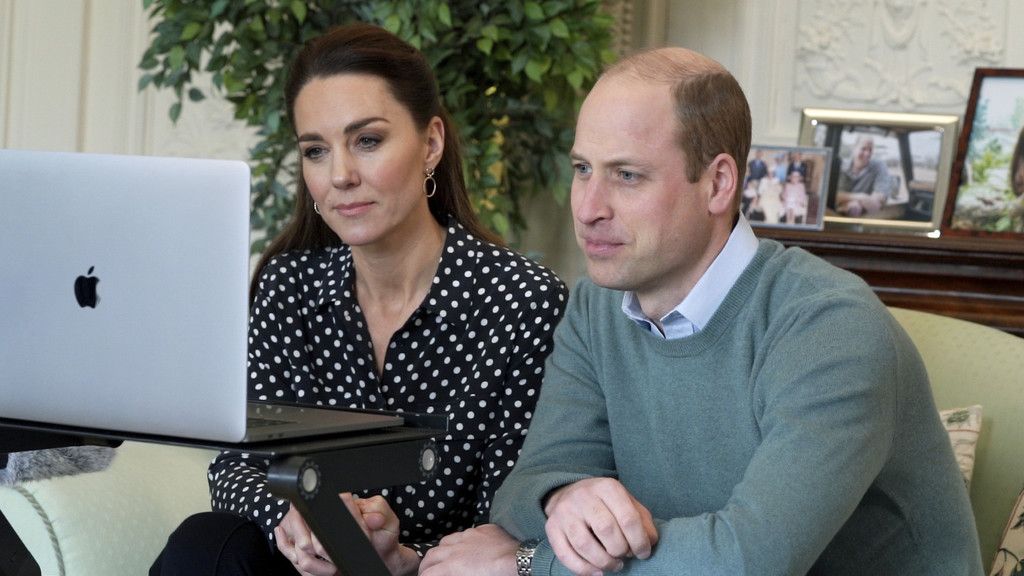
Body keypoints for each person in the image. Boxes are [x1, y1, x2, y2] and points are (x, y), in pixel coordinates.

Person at [417, 47, 982, 575]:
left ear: (718, 184)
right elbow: (524, 489)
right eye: (583, 168)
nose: (588, 209)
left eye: (626, 175)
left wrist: (528, 564)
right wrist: (566, 497)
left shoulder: (831, 327)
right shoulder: (596, 307)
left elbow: (749, 560)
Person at [149, 23, 567, 576]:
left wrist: (408, 557)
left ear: (431, 144)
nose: (340, 175)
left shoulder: (523, 301)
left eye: (367, 141)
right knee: (208, 540)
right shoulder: (288, 287)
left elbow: (514, 518)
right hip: (302, 568)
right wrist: (291, 517)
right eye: (316, 151)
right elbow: (236, 466)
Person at [835, 134, 895, 217]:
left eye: (870, 150)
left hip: (865, 216)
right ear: (854, 148)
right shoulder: (840, 167)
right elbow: (832, 196)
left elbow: (877, 202)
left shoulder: (879, 166)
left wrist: (854, 204)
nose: (867, 154)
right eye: (863, 149)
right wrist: (862, 197)